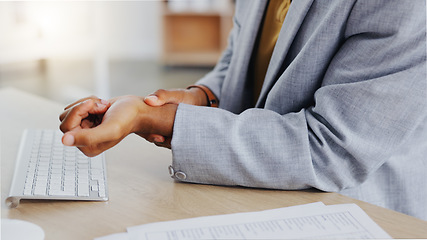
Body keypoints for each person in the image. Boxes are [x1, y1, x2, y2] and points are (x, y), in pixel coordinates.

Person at [59, 0, 427, 220]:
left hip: (361, 209)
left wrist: (150, 117)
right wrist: (202, 96)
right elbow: (240, 60)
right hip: (260, 187)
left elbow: (331, 147)